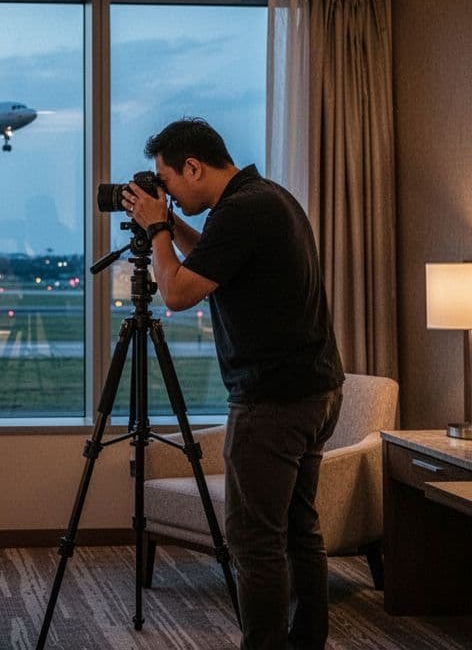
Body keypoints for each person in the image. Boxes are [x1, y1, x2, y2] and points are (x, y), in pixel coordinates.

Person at [122, 117, 345, 650]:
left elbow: (176, 293)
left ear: (193, 167)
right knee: (297, 528)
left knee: (254, 542)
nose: (166, 192)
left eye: (167, 180)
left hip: (273, 403)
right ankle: (306, 640)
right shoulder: (265, 198)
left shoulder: (243, 211)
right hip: (314, 390)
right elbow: (216, 257)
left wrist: (156, 228)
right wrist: (171, 225)